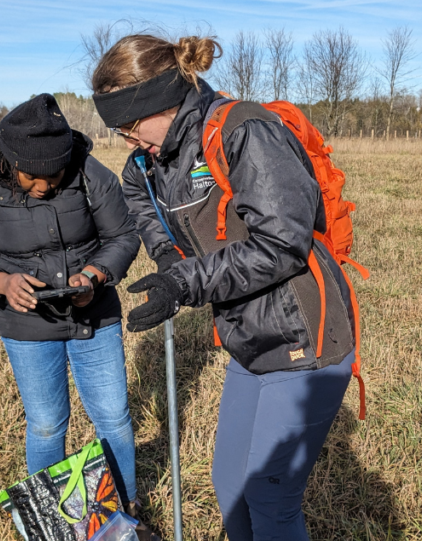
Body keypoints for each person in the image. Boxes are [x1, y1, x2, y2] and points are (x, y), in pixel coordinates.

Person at [92, 35, 359, 541]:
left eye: (129, 127)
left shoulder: (245, 130)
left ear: (160, 101)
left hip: (306, 335)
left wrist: (185, 282)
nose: (128, 141)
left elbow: (281, 244)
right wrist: (170, 258)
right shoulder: (152, 162)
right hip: (247, 336)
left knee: (270, 497)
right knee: (230, 482)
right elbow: (140, 200)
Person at [0, 94, 144, 512]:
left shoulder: (91, 174)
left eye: (53, 176)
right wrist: (0, 282)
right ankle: (53, 519)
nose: (44, 186)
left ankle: (124, 511)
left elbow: (123, 237)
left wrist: (94, 276)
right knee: (48, 425)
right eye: (31, 177)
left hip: (96, 318)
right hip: (27, 328)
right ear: (9, 160)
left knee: (113, 419)